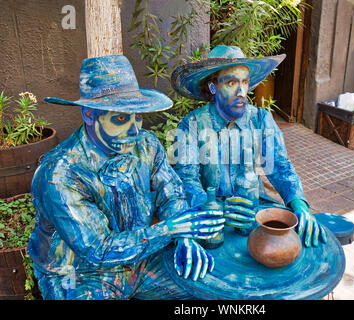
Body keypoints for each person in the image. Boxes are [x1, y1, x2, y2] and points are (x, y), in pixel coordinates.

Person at [27, 54, 224, 300]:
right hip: (79, 274)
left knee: (212, 287)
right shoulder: (59, 174)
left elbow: (171, 193)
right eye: (120, 118)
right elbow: (97, 249)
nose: (134, 130)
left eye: (138, 116)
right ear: (89, 114)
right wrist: (169, 230)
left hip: (141, 259)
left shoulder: (147, 145)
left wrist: (184, 238)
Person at [171, 45, 327, 248]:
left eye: (245, 82)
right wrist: (214, 207)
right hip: (210, 216)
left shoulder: (261, 119)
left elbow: (280, 167)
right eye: (231, 82)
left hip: (255, 207)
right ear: (213, 87)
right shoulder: (191, 124)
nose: (242, 91)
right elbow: (186, 179)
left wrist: (299, 204)